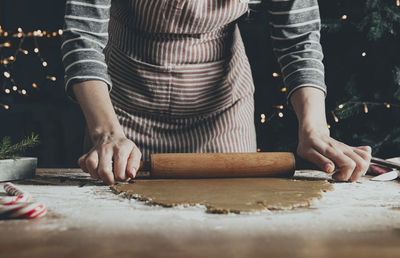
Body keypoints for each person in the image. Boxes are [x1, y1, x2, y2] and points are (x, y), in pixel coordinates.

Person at [61, 0, 371, 185]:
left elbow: (299, 39)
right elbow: (83, 35)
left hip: (222, 110)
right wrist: (106, 132)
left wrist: (314, 128)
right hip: (122, 108)